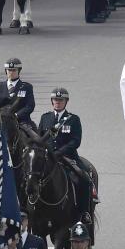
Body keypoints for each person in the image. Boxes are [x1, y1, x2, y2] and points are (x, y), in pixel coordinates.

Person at [37, 88, 97, 217]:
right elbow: (39, 139)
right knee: (31, 176)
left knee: (84, 179)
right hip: (47, 158)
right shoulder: (45, 118)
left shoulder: (73, 119)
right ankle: (29, 209)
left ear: (66, 102)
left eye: (61, 100)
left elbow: (75, 141)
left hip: (67, 157)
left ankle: (84, 212)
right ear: (52, 101)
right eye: (55, 100)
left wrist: (59, 152)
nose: (57, 102)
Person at [0, 58, 36, 184]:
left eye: (14, 70)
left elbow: (30, 106)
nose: (11, 72)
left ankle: (35, 170)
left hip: (21, 122)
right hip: (2, 123)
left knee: (36, 140)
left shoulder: (26, 87)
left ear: (19, 71)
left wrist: (15, 115)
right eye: (9, 70)